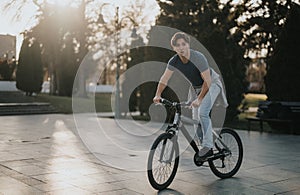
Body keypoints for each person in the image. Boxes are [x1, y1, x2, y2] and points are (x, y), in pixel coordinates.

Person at [153, 32, 228, 160]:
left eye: (183, 44)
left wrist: (199, 100)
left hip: (212, 83)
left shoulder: (198, 57)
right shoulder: (174, 61)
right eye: (177, 45)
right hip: (196, 88)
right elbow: (164, 79)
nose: (181, 47)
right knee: (196, 118)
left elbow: (208, 81)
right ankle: (203, 143)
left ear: (188, 45)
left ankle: (208, 147)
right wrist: (158, 95)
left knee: (203, 112)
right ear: (174, 48)